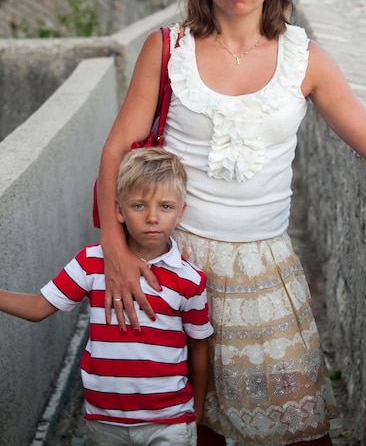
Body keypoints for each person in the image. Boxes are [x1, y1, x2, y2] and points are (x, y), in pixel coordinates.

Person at [96, 0, 366, 446]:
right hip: (173, 260)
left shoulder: (303, 58)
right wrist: (116, 251)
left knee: (300, 424)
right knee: (191, 421)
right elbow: (115, 151)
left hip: (263, 264)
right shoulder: (167, 49)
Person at [0, 147, 213, 446]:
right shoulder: (91, 263)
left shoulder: (190, 280)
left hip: (169, 420)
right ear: (117, 210)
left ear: (181, 212)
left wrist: (198, 409)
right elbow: (38, 307)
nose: (152, 217)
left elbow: (199, 347)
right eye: (139, 205)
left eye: (165, 206)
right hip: (103, 422)